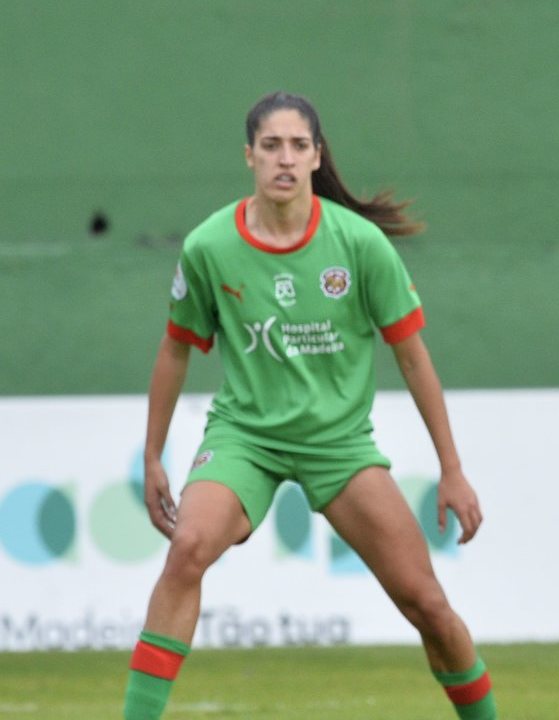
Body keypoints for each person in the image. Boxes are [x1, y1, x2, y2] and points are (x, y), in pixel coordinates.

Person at [123, 92, 496, 720]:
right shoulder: (210, 247)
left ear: (317, 156)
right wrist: (153, 452)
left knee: (426, 603)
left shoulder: (359, 244)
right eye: (271, 146)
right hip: (247, 438)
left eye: (299, 146)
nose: (285, 159)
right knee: (188, 547)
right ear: (249, 157)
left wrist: (452, 469)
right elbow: (175, 350)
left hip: (339, 446)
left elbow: (414, 359)